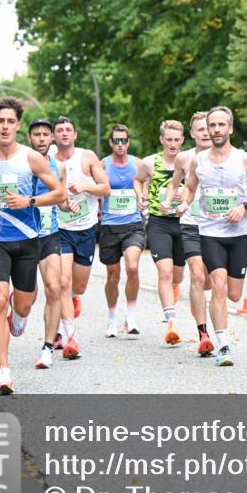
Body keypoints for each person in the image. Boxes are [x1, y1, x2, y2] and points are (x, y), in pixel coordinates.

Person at [0, 97, 64, 395]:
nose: (5, 127)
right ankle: (4, 373)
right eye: (0, 121)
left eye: (10, 122)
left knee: (23, 303)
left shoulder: (31, 158)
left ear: (18, 125)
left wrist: (28, 201)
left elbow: (58, 192)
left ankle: (20, 318)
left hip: (28, 241)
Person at [178, 106, 247, 366]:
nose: (216, 129)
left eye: (221, 125)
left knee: (233, 294)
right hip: (209, 231)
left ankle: (222, 339)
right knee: (217, 286)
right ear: (207, 130)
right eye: (212, 125)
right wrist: (185, 202)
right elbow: (190, 188)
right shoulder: (199, 161)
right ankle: (224, 346)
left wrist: (244, 207)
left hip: (238, 233)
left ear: (229, 129)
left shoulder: (245, 159)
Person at [49, 116, 111, 357]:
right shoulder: (48, 162)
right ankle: (70, 336)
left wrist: (85, 187)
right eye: (60, 130)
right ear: (54, 136)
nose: (64, 134)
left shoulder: (87, 158)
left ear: (75, 135)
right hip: (60, 229)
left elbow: (106, 188)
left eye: (68, 130)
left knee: (79, 286)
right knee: (62, 282)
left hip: (86, 229)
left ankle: (74, 298)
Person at [165, 112, 216, 355]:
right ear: (193, 134)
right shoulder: (185, 158)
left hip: (216, 227)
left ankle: (199, 302)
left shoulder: (223, 157)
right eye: (200, 129)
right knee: (196, 276)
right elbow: (174, 184)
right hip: (190, 223)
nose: (205, 133)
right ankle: (203, 334)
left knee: (208, 281)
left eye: (208, 128)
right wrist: (170, 201)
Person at [135, 120, 190, 345]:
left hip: (184, 223)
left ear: (183, 141)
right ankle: (171, 323)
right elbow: (138, 180)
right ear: (162, 140)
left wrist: (186, 195)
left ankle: (173, 293)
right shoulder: (150, 162)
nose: (173, 144)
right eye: (169, 139)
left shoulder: (190, 162)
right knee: (165, 273)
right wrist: (141, 196)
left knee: (177, 276)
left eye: (177, 140)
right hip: (159, 223)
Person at [25, 119, 73, 369]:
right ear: (29, 138)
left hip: (50, 233)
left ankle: (47, 348)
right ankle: (20, 314)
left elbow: (61, 200)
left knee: (54, 288)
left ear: (52, 138)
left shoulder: (59, 167)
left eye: (46, 134)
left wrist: (69, 205)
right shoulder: (21, 163)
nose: (42, 138)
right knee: (28, 297)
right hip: (24, 235)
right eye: (37, 134)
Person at [100, 124, 146, 338]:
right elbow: (98, 189)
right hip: (110, 225)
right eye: (116, 141)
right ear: (111, 143)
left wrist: (143, 197)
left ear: (128, 142)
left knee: (133, 267)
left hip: (133, 225)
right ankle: (111, 319)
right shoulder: (103, 165)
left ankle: (131, 316)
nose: (120, 145)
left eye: (124, 141)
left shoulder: (137, 164)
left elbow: (146, 184)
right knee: (112, 275)